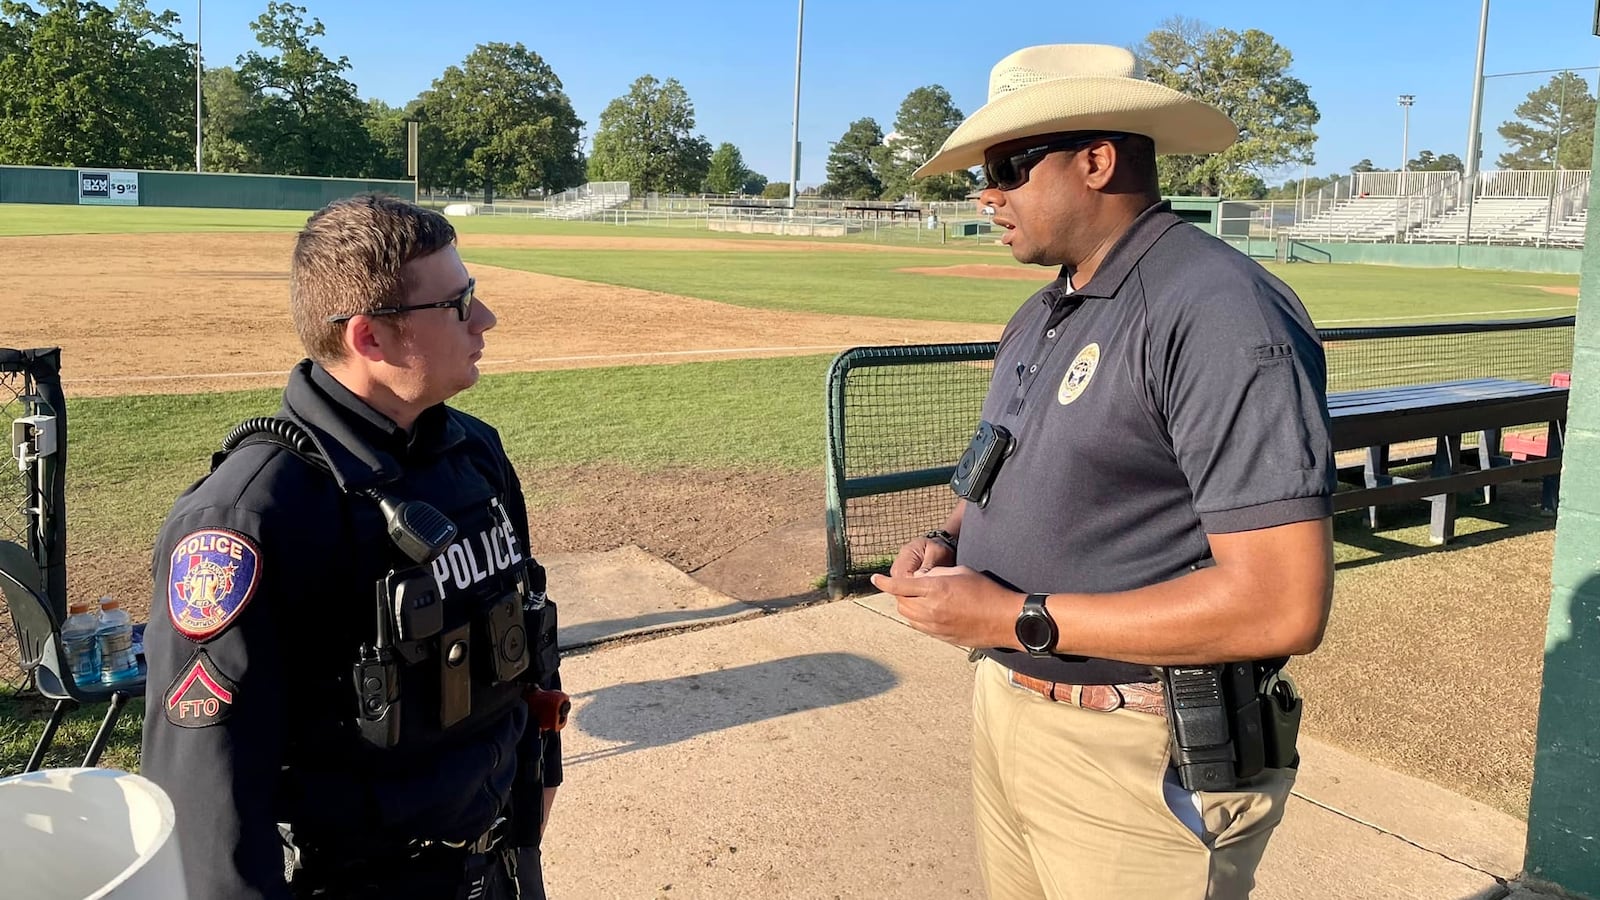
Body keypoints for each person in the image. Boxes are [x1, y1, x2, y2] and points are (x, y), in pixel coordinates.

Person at [869, 44, 1336, 899]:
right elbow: (1002, 473)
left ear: (1097, 160)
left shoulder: (1217, 308)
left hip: (1136, 749)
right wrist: (946, 540)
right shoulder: (1049, 305)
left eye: (1009, 166)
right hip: (1012, 707)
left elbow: (1282, 602)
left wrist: (1020, 617)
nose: (989, 194)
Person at [140, 194, 563, 900]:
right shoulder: (249, 518)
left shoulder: (475, 453)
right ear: (371, 338)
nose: (485, 321)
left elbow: (523, 642)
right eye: (458, 304)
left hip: (498, 869)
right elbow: (207, 799)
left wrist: (536, 785)